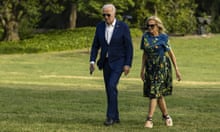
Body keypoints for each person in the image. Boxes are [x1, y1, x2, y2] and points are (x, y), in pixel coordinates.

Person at [89, 4, 133, 126]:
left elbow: (128, 47)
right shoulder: (100, 27)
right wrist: (92, 61)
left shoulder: (123, 27)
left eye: (108, 14)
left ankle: (110, 117)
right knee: (109, 89)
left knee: (111, 85)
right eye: (104, 15)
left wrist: (127, 64)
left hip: (119, 62)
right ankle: (116, 116)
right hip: (106, 62)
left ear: (114, 14)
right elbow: (95, 45)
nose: (106, 17)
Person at [140, 16, 181, 128]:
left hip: (162, 67)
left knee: (154, 92)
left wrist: (177, 69)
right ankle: (166, 116)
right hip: (150, 68)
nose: (149, 28)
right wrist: (142, 70)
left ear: (158, 26)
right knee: (158, 94)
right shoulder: (145, 37)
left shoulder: (164, 37)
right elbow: (145, 54)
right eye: (148, 26)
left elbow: (171, 54)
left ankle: (149, 119)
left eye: (152, 26)